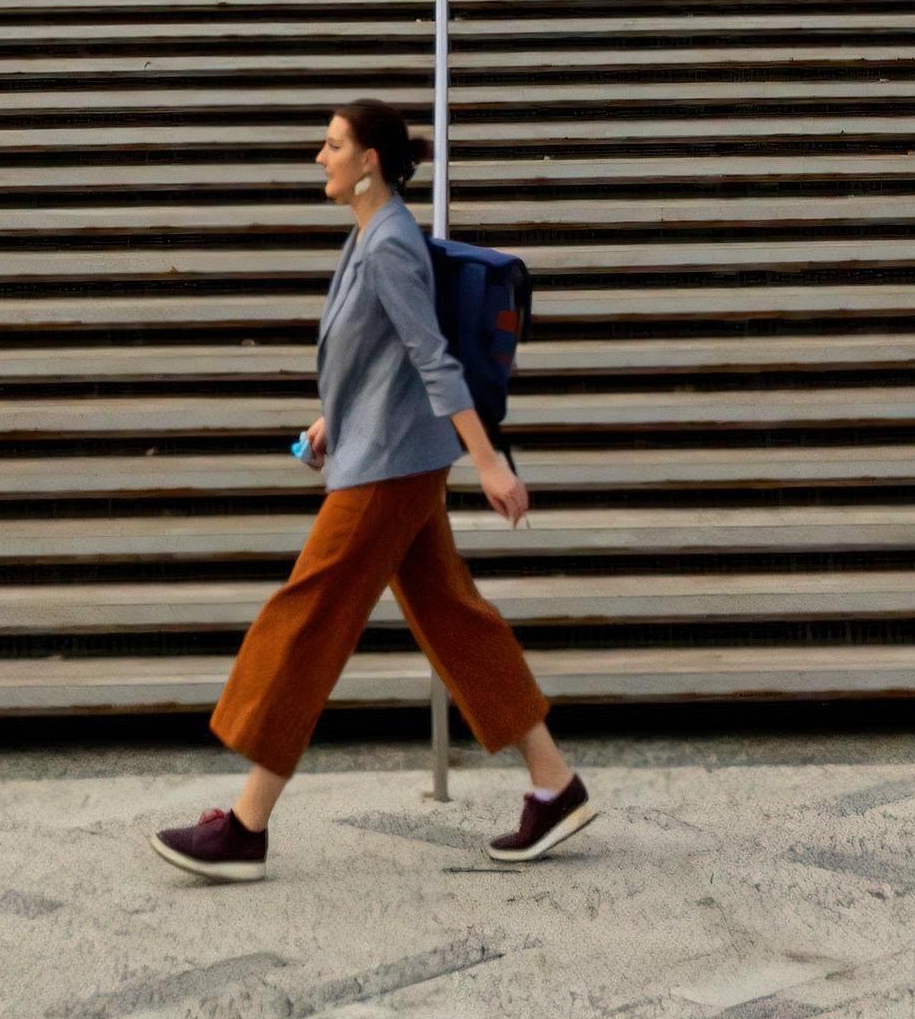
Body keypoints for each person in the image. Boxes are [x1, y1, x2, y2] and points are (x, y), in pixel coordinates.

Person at [153, 97, 591, 879]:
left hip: (391, 468)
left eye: (331, 145)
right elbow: (378, 355)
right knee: (455, 619)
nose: (319, 158)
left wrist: (489, 462)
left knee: (309, 615)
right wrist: (332, 418)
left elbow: (431, 360)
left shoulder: (389, 243)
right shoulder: (371, 235)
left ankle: (247, 826)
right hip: (389, 452)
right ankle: (554, 784)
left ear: (369, 163)